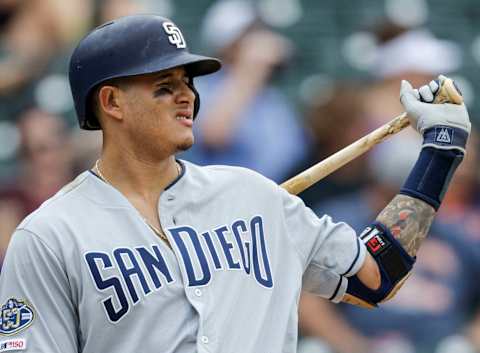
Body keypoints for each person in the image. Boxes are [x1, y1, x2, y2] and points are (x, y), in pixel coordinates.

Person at [0, 14, 471, 353]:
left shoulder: (253, 195)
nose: (187, 95)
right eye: (164, 85)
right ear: (111, 102)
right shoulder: (49, 236)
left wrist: (440, 152)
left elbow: (377, 274)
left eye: (188, 81)